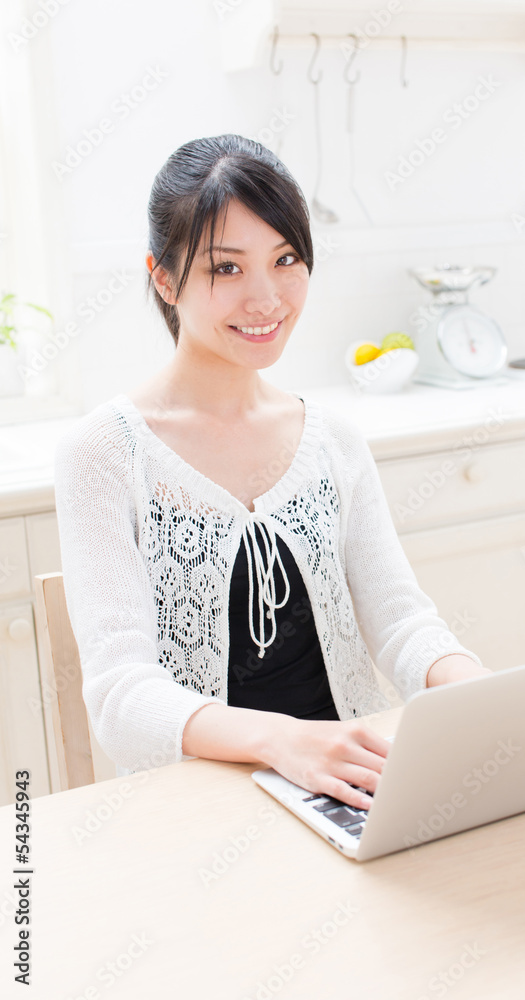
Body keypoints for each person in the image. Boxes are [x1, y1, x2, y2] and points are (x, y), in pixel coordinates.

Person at [54, 133, 490, 812]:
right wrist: (284, 742)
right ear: (163, 279)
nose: (265, 297)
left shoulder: (333, 441)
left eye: (285, 259)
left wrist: (480, 692)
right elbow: (121, 694)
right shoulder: (105, 454)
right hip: (198, 804)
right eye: (225, 269)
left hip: (349, 786)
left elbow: (403, 625)